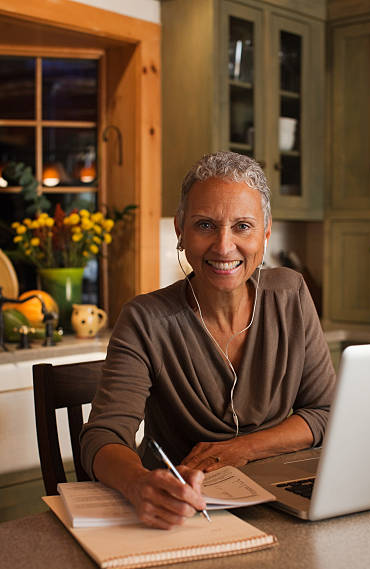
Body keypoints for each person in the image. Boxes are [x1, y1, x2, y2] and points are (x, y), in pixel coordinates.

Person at [80, 151, 336, 530]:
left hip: (280, 505)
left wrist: (242, 449)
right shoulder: (145, 319)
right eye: (205, 225)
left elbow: (325, 413)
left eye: (243, 226)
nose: (223, 246)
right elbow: (102, 436)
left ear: (265, 233)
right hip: (182, 511)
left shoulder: (291, 294)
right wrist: (138, 485)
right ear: (180, 229)